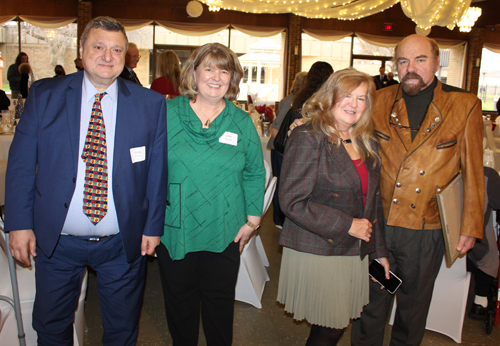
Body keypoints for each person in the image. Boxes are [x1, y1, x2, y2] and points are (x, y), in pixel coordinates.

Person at [5, 16, 167, 346]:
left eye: (117, 49)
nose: (108, 56)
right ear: (81, 50)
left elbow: (157, 171)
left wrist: (152, 226)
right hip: (57, 242)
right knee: (51, 327)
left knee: (122, 330)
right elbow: (21, 165)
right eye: (98, 47)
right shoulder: (45, 95)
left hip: (122, 243)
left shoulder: (149, 104)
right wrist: (19, 224)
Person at [350, 34, 484, 346]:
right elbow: (345, 136)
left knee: (412, 310)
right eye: (403, 61)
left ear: (437, 62)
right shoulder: (378, 100)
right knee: (371, 304)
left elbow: (474, 172)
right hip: (379, 229)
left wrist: (471, 225)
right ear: (396, 66)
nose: (411, 68)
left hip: (426, 231)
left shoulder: (464, 105)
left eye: (420, 60)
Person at [156, 42, 265, 346]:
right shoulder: (166, 114)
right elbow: (148, 171)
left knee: (219, 308)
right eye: (209, 68)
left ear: (233, 78)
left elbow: (256, 172)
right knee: (180, 307)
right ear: (193, 72)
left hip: (224, 227)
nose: (216, 77)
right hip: (175, 225)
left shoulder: (241, 122)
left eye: (224, 70)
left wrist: (252, 220)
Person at [277, 68, 389, 345]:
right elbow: (292, 201)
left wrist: (379, 252)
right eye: (347, 95)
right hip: (319, 246)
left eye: (362, 98)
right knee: (331, 326)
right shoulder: (308, 135)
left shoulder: (366, 140)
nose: (354, 103)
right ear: (330, 97)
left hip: (354, 248)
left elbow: (372, 203)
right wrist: (348, 225)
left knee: (335, 325)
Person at [268, 71, 307, 229]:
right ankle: (279, 220)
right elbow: (275, 128)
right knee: (280, 184)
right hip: (281, 149)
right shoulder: (291, 101)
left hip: (284, 149)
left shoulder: (295, 100)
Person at [467, 166, 500, 320]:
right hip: (472, 251)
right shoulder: (487, 174)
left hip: (437, 248)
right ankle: (479, 302)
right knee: (491, 255)